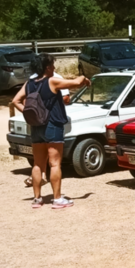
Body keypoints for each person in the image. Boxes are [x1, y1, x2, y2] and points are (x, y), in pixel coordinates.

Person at [12, 54, 89, 209]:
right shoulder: (52, 81)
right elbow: (75, 83)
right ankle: (57, 199)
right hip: (52, 126)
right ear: (47, 67)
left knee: (38, 164)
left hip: (36, 127)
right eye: (53, 65)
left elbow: (15, 101)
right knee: (55, 164)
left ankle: (37, 199)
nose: (54, 68)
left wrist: (28, 114)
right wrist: (84, 78)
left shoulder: (29, 83)